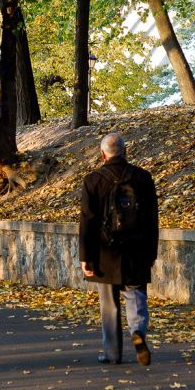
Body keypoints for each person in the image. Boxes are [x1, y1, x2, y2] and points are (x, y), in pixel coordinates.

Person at [79, 132, 159, 365]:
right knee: (135, 295)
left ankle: (112, 353)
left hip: (105, 252)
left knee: (109, 304)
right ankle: (138, 331)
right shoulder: (143, 178)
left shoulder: (92, 180)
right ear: (125, 151)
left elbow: (87, 221)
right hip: (136, 250)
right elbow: (152, 219)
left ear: (102, 154)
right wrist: (151, 253)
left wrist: (86, 257)